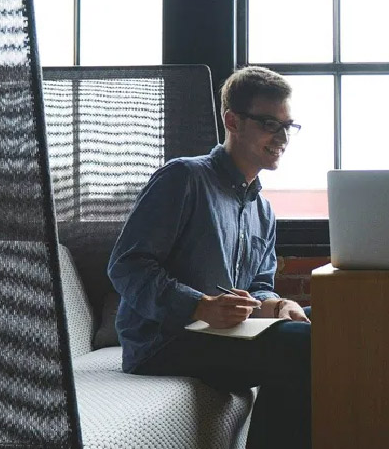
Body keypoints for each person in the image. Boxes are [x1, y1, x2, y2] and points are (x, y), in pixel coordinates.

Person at [107, 66, 311, 449]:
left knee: (329, 328)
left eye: (288, 126)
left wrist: (277, 304)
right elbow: (126, 265)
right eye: (270, 124)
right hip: (163, 343)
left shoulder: (262, 210)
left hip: (223, 337)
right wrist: (200, 306)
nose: (282, 137)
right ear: (232, 120)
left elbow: (258, 288)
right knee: (302, 345)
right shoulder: (182, 178)